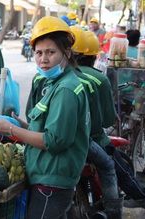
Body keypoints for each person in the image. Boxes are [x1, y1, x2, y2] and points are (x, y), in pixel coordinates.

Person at [0, 16, 91, 218]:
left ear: (66, 53)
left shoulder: (65, 90)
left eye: (51, 52)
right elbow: (50, 127)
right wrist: (21, 123)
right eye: (39, 53)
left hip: (52, 182)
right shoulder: (54, 83)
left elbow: (53, 140)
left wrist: (11, 129)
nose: (44, 59)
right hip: (47, 178)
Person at [71, 27, 123, 218]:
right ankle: (113, 212)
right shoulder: (95, 79)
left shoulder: (43, 78)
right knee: (109, 167)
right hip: (86, 141)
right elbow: (102, 122)